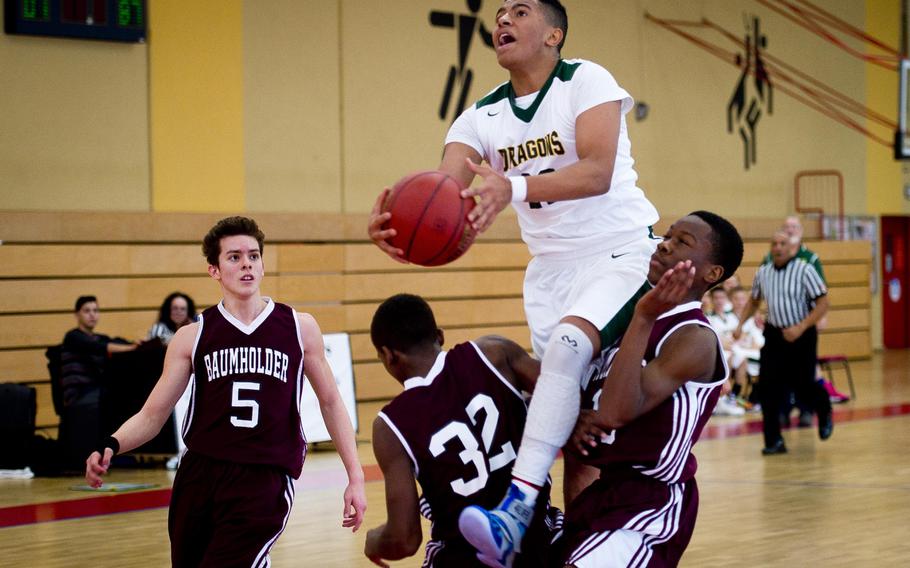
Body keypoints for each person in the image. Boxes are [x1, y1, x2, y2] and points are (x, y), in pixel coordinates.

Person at [369, 2, 660, 559]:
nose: (502, 19)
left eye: (519, 11)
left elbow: (598, 171)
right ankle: (579, 550)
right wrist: (398, 230)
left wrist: (517, 189)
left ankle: (518, 507)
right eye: (498, 12)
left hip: (618, 251)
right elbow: (445, 194)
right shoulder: (479, 117)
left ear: (554, 33)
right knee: (578, 435)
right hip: (551, 274)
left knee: (571, 345)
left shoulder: (586, 79)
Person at [85, 216, 366, 566]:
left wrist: (355, 476)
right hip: (199, 476)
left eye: (254, 255)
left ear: (263, 265)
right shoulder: (193, 336)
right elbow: (152, 415)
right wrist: (112, 444)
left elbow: (330, 401)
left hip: (264, 477)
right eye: (234, 257)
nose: (246, 263)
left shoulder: (299, 327)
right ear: (214, 270)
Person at [559, 211, 744, 567]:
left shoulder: (694, 338)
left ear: (712, 273)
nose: (665, 245)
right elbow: (587, 398)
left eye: (682, 242)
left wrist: (643, 317)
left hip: (653, 503)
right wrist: (577, 416)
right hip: (606, 491)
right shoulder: (632, 318)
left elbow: (615, 413)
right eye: (668, 236)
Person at [363, 294, 562, 567]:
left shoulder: (389, 426)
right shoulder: (494, 353)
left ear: (388, 356)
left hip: (463, 558)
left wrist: (373, 540)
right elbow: (562, 395)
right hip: (538, 545)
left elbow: (404, 540)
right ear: (440, 336)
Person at [736, 230, 833, 455]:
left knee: (803, 384)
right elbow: (754, 301)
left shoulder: (805, 270)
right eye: (774, 243)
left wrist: (800, 327)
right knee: (768, 387)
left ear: (792, 248)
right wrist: (740, 324)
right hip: (774, 334)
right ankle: (773, 440)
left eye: (782, 243)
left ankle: (824, 408)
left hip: (802, 334)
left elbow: (823, 303)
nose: (778, 247)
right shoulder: (764, 272)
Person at [58, 296, 139, 470]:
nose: (92, 315)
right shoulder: (73, 337)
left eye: (95, 310)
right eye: (87, 311)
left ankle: (119, 452)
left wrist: (136, 344)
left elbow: (113, 342)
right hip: (79, 394)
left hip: (97, 392)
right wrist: (131, 348)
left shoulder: (100, 337)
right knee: (113, 399)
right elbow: (103, 347)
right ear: (77, 314)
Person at [148, 292, 198, 469]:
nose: (178, 312)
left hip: (193, 380)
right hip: (166, 378)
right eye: (174, 308)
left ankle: (187, 451)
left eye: (182, 309)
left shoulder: (196, 327)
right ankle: (180, 453)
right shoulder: (158, 329)